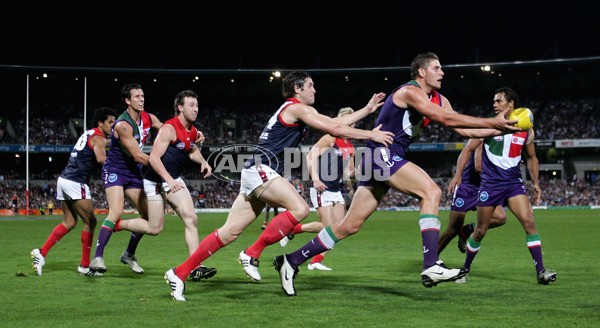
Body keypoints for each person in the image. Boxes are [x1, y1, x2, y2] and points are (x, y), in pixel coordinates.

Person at [274, 52, 520, 296]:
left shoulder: (439, 98)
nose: (442, 72)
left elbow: (466, 132)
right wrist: (493, 122)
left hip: (380, 158)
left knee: (349, 225)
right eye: (437, 67)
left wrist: (500, 130)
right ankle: (431, 265)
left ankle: (291, 261)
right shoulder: (408, 91)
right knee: (431, 192)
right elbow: (444, 119)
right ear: (422, 72)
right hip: (381, 154)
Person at [164, 70, 395, 301]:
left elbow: (333, 123)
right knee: (300, 209)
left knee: (229, 232)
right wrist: (371, 135)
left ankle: (179, 273)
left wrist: (366, 109)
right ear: (298, 88)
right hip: (261, 169)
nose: (315, 89)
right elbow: (335, 129)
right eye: (310, 85)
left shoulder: (297, 109)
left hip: (255, 170)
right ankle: (252, 253)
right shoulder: (295, 108)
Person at [115, 89, 217, 281]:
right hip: (155, 180)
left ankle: (195, 266)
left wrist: (203, 161)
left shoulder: (192, 130)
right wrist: (168, 180)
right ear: (180, 107)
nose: (196, 109)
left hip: (172, 178)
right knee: (154, 228)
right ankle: (117, 225)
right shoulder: (169, 128)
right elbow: (153, 158)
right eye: (191, 105)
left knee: (191, 219)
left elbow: (191, 148)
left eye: (197, 105)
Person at [460, 87, 557, 284]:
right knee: (480, 230)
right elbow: (468, 149)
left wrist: (536, 183)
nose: (494, 105)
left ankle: (541, 272)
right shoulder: (487, 125)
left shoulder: (526, 129)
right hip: (490, 185)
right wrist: (457, 177)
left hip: (513, 184)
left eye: (498, 101)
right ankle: (464, 270)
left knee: (529, 223)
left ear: (511, 103)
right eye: (494, 101)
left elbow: (531, 157)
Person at [31, 107, 116, 276]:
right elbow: (101, 159)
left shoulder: (90, 134)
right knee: (91, 222)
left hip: (64, 180)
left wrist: (118, 140)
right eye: (110, 122)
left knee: (69, 222)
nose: (113, 126)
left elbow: (105, 143)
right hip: (76, 182)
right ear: (100, 123)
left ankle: (41, 253)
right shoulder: (98, 138)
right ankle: (85, 266)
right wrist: (119, 167)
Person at [90, 83, 163, 275]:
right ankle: (97, 258)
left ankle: (129, 254)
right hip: (116, 170)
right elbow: (138, 155)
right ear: (127, 101)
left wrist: (190, 135)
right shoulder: (122, 125)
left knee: (147, 217)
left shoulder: (148, 118)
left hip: (134, 172)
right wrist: (164, 168)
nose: (142, 99)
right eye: (137, 96)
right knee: (116, 211)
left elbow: (167, 131)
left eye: (143, 95)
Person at [279, 106, 357, 272]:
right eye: (350, 120)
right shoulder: (330, 138)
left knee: (339, 230)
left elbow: (348, 172)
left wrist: (353, 180)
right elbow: (310, 156)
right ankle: (297, 237)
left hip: (337, 190)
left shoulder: (351, 146)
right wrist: (315, 179)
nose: (353, 123)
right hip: (323, 188)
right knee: (329, 229)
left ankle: (312, 257)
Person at [438, 138, 506, 256]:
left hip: (484, 187)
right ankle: (431, 259)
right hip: (467, 188)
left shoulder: (502, 145)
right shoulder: (484, 138)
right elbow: (478, 167)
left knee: (500, 218)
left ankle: (468, 229)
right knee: (453, 229)